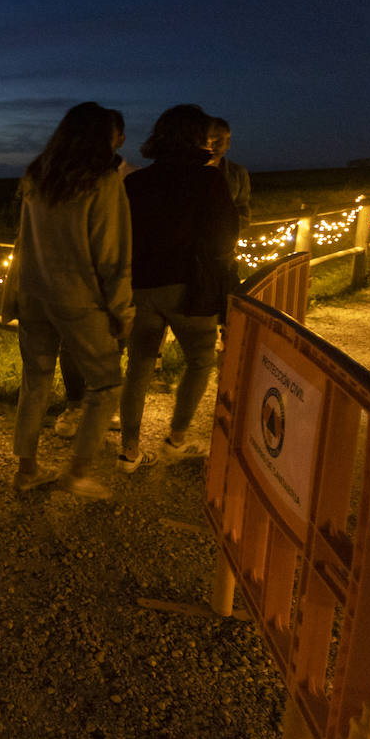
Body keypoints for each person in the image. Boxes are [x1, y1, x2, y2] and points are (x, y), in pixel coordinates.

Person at [2, 102, 134, 500]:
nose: (120, 142)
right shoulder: (103, 182)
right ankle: (76, 472)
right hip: (78, 297)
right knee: (107, 383)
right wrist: (123, 310)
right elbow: (112, 254)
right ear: (103, 138)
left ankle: (27, 469)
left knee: (36, 381)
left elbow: (24, 238)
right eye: (115, 135)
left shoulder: (37, 176)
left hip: (34, 292)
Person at [116, 105, 239, 473]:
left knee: (138, 367)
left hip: (142, 287)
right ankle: (176, 439)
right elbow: (224, 239)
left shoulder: (135, 182)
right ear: (197, 137)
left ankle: (129, 451)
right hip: (190, 288)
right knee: (200, 360)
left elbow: (124, 237)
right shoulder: (209, 179)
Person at [54, 108, 128, 438]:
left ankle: (101, 407)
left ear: (120, 138)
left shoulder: (125, 176)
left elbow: (115, 239)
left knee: (111, 345)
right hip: (74, 281)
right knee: (72, 347)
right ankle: (76, 406)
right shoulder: (59, 178)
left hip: (101, 276)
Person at [208, 117, 252, 232]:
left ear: (228, 143)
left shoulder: (238, 173)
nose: (212, 147)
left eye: (218, 141)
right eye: (208, 141)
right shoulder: (189, 173)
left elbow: (243, 208)